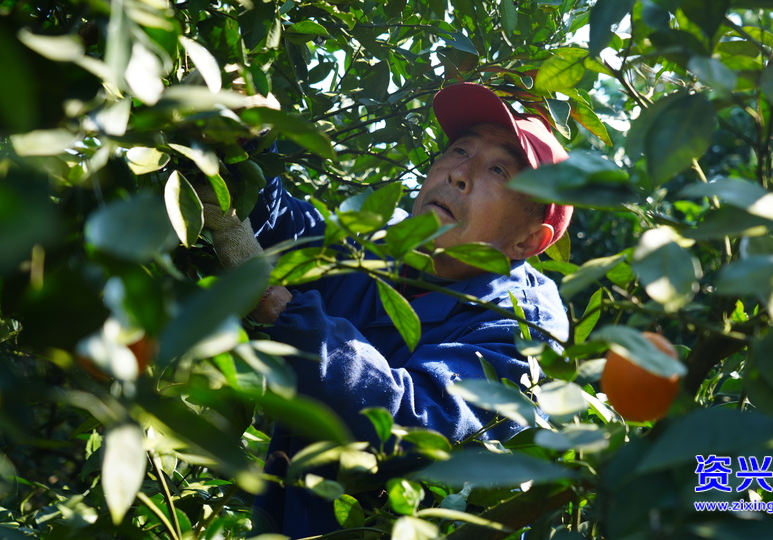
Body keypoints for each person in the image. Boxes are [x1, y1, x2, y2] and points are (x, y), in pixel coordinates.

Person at [202, 82, 573, 536]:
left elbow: (419, 425)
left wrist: (287, 315)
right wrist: (248, 143)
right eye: (460, 150)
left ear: (528, 241)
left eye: (499, 170)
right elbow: (288, 232)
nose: (460, 173)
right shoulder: (380, 246)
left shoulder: (522, 321)